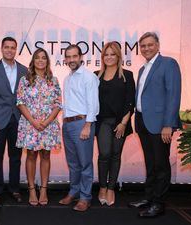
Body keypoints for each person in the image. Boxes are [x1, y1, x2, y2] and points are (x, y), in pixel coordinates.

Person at [128, 32, 181, 218]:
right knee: (150, 163)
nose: (146, 48)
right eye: (143, 46)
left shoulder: (168, 64)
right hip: (143, 121)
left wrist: (169, 124)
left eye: (150, 45)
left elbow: (173, 96)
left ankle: (158, 204)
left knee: (161, 165)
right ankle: (149, 198)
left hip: (160, 124)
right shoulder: (143, 69)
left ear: (158, 45)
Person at [0, 37, 28, 205]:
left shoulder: (24, 70)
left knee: (15, 157)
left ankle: (15, 189)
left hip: (18, 120)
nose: (9, 50)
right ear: (1, 49)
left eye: (13, 48)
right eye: (6, 47)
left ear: (16, 50)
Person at [16, 48, 62, 206]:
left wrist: (47, 121)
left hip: (48, 125)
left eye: (44, 58)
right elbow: (20, 102)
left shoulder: (53, 80)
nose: (41, 60)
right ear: (33, 61)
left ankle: (43, 189)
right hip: (30, 124)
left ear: (47, 61)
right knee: (30, 156)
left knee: (46, 156)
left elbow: (58, 103)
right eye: (37, 58)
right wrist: (33, 122)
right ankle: (31, 189)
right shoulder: (25, 79)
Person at [59, 44, 99, 211]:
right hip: (67, 124)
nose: (71, 60)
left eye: (74, 56)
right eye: (68, 57)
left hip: (82, 124)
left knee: (85, 163)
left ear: (81, 57)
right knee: (73, 163)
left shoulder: (88, 77)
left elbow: (93, 103)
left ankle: (85, 197)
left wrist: (88, 125)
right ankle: (73, 191)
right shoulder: (67, 78)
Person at [94, 42, 135, 206]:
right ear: (102, 57)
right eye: (106, 54)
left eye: (112, 54)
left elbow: (130, 101)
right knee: (104, 155)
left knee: (116, 155)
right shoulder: (96, 75)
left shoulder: (127, 75)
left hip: (121, 123)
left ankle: (111, 188)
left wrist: (124, 123)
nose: (109, 57)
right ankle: (102, 187)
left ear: (118, 57)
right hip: (103, 121)